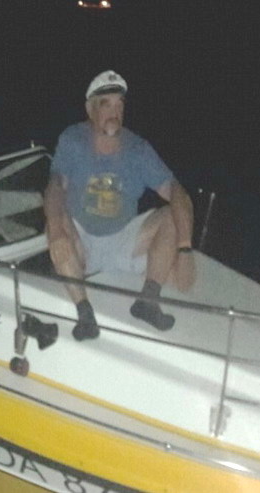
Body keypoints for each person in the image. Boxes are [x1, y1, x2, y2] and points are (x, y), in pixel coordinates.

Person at [44, 70, 196, 341]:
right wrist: (55, 230)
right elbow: (55, 186)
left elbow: (177, 192)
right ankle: (84, 312)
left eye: (119, 105)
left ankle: (147, 301)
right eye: (106, 105)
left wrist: (185, 248)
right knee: (56, 220)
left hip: (124, 240)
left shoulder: (138, 149)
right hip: (82, 243)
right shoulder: (73, 140)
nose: (114, 112)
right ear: (90, 110)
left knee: (171, 215)